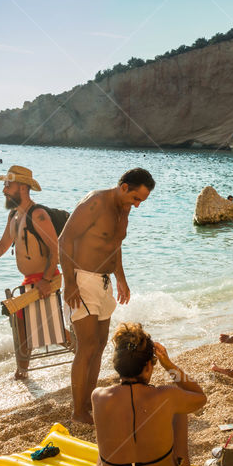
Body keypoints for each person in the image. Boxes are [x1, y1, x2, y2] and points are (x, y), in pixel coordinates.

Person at [59, 168, 155, 424]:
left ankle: (88, 404)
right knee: (86, 346)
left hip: (103, 282)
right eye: (135, 198)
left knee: (100, 345)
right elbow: (64, 240)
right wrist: (69, 283)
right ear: (123, 187)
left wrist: (121, 278)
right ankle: (77, 412)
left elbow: (115, 245)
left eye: (141, 201)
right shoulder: (95, 202)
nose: (136, 205)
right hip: (82, 279)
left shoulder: (123, 209)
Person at [91, 323, 206, 466]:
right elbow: (200, 397)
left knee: (104, 448)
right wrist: (169, 366)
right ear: (147, 367)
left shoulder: (98, 396)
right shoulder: (167, 395)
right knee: (179, 410)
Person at [0, 165, 60, 380]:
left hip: (44, 280)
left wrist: (47, 280)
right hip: (30, 280)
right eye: (4, 185)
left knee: (46, 329)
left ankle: (80, 354)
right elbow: (3, 244)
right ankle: (22, 371)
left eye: (7, 185)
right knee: (21, 324)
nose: (4, 190)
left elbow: (55, 249)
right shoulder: (14, 215)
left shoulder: (38, 215)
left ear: (21, 187)